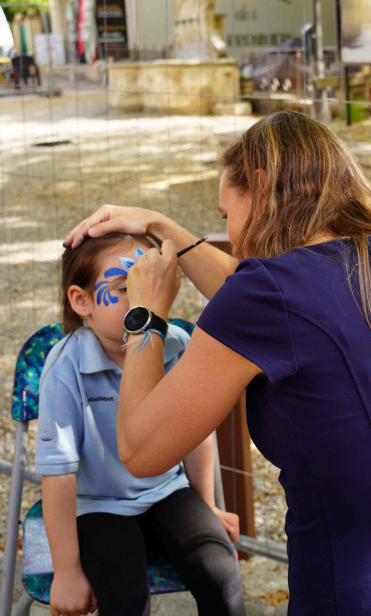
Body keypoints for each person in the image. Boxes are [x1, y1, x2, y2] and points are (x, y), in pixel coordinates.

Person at [64, 110, 371, 616]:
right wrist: (159, 224)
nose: (232, 237)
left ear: (260, 187)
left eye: (226, 215)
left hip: (358, 594)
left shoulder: (268, 296)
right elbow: (265, 301)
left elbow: (140, 451)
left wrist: (145, 316)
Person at [36, 232, 245, 616]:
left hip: (168, 491)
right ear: (82, 301)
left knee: (221, 573)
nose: (144, 297)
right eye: (126, 288)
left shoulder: (176, 344)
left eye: (150, 282)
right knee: (125, 596)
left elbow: (194, 436)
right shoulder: (65, 368)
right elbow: (59, 474)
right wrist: (66, 570)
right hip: (97, 507)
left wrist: (207, 505)